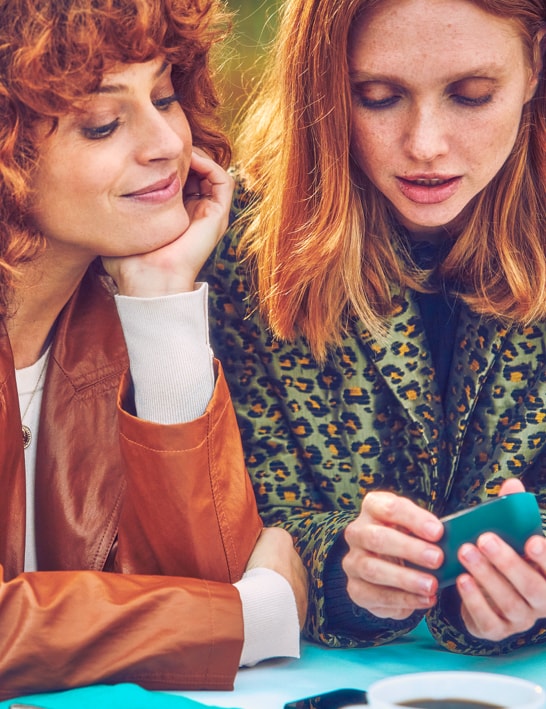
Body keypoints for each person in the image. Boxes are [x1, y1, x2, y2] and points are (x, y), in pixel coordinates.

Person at [202, 0, 546, 655]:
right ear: (321, 85)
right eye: (379, 97)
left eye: (473, 96)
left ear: (535, 64)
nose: (425, 144)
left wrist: (532, 578)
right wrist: (341, 571)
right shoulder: (242, 243)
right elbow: (229, 521)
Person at [0, 0, 308, 701]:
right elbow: (234, 608)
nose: (168, 141)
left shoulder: (109, 316)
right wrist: (250, 617)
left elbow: (205, 581)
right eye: (103, 122)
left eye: (165, 95)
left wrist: (163, 301)